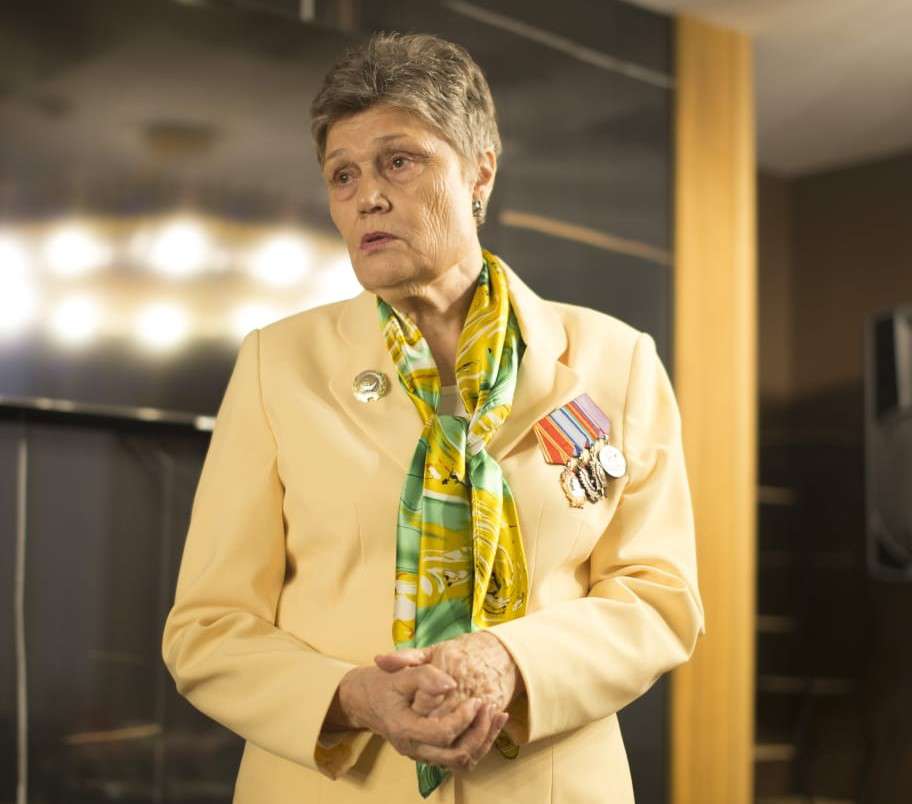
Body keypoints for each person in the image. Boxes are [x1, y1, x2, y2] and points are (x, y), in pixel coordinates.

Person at [161, 31, 705, 804]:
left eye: (398, 161)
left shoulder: (618, 362)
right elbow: (208, 629)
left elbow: (659, 597)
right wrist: (354, 697)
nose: (367, 197)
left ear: (481, 169)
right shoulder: (274, 365)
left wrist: (509, 663)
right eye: (342, 174)